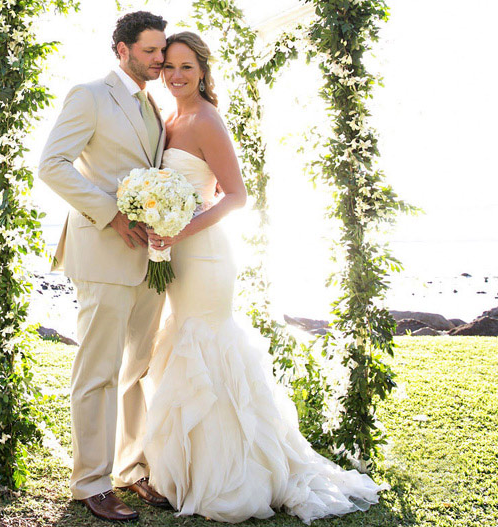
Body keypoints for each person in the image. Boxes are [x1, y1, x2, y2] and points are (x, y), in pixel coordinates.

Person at [141, 31, 391, 524]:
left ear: (203, 71)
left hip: (206, 255)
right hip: (176, 255)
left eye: (185, 67)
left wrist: (183, 226)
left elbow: (236, 196)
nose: (175, 75)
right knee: (184, 346)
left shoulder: (207, 120)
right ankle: (182, 471)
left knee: (208, 347)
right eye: (168, 66)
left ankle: (230, 477)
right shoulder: (168, 117)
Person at [38, 10, 175, 523]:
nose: (160, 60)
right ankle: (90, 483)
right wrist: (111, 213)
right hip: (102, 250)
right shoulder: (91, 95)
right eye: (150, 51)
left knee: (136, 370)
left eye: (162, 51)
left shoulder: (154, 105)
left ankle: (132, 470)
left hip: (150, 257)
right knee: (97, 372)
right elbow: (51, 164)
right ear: (122, 49)